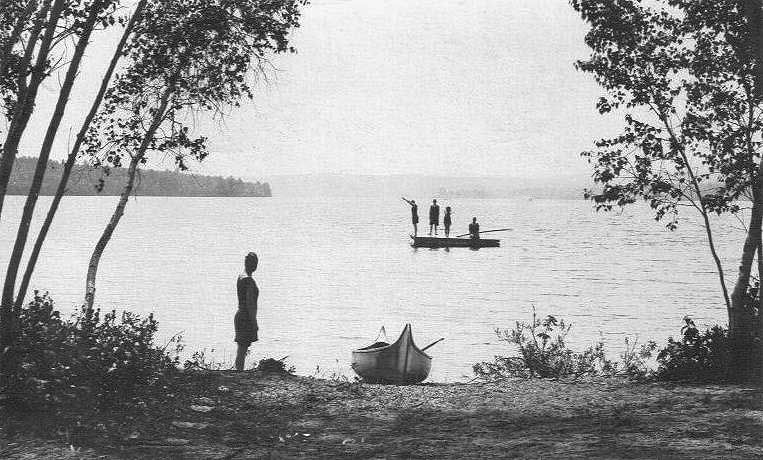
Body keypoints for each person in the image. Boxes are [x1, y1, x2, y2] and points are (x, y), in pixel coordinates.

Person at [235, 252, 259, 371]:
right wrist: (254, 323)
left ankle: (239, 373)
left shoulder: (241, 277)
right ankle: (239, 375)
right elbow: (250, 304)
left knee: (241, 349)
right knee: (242, 349)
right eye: (254, 262)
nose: (255, 265)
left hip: (240, 314)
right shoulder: (248, 280)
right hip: (245, 317)